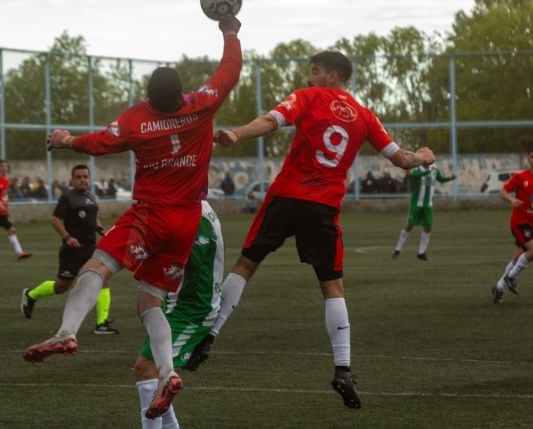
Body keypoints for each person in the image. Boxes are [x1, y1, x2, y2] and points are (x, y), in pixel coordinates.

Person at [185, 50, 435, 409]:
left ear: (332, 76)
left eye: (314, 71)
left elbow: (271, 121)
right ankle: (343, 369)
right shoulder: (365, 117)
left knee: (246, 265)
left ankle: (208, 337)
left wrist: (236, 134)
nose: (308, 78)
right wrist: (425, 156)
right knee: (332, 287)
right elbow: (402, 161)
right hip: (323, 207)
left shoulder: (306, 98)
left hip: (285, 197)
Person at [22, 14, 242, 420]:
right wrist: (230, 30)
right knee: (150, 301)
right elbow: (229, 70)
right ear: (183, 92)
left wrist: (65, 139)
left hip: (149, 216)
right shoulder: (203, 104)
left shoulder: (137, 120)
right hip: (186, 222)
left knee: (97, 267)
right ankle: (169, 372)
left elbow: (98, 143)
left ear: (149, 93)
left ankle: (67, 333)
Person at [134, 200, 223, 428]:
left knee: (147, 369)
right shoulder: (192, 207)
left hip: (193, 309)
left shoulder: (198, 216)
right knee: (159, 376)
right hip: (178, 304)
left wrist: (148, 247)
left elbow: (188, 259)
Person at [21, 164, 118, 335]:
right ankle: (31, 295)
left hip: (91, 248)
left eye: (85, 177)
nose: (83, 180)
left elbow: (93, 218)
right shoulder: (67, 198)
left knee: (102, 279)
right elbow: (55, 219)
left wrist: (101, 230)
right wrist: (67, 237)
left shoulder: (92, 197)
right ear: (73, 180)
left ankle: (101, 323)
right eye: (79, 177)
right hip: (71, 250)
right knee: (61, 287)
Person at [491, 146, 533, 304]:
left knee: (516, 260)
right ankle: (510, 278)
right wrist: (512, 200)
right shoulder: (520, 177)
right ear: (528, 159)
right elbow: (503, 192)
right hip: (519, 222)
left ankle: (499, 287)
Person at [392, 164, 456, 261]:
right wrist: (429, 171)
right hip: (416, 204)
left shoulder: (434, 169)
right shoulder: (417, 169)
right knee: (409, 226)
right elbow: (415, 174)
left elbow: (441, 179)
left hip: (428, 205)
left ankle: (421, 253)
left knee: (428, 228)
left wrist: (450, 178)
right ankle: (397, 250)